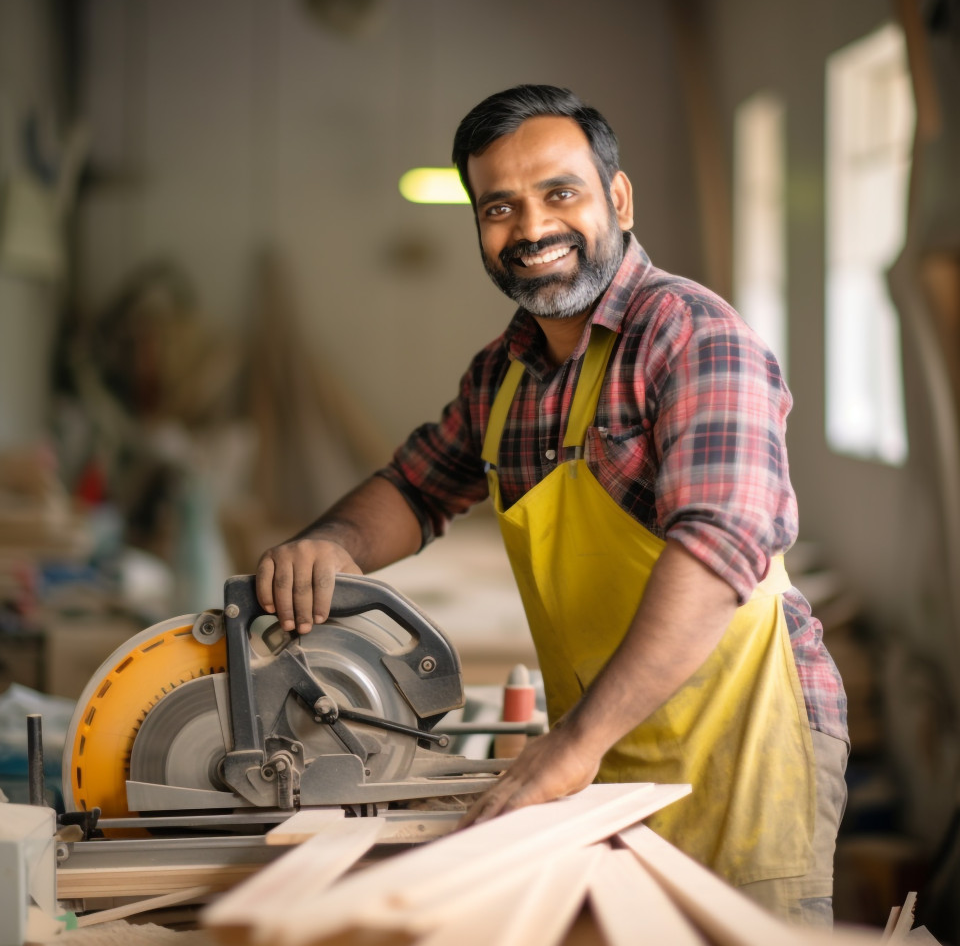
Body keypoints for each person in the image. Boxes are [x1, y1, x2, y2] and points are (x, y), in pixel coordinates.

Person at [256, 84, 848, 925]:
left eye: (559, 193)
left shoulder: (691, 336)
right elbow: (416, 488)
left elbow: (717, 554)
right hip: (598, 759)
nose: (531, 229)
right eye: (499, 208)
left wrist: (575, 742)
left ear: (619, 199)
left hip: (742, 751)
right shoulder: (504, 373)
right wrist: (330, 544)